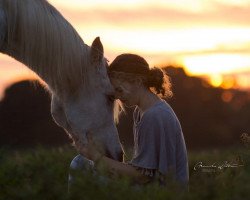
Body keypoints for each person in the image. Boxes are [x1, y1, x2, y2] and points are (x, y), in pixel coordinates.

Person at [70, 53, 189, 188]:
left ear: (138, 81)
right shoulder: (141, 112)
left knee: (80, 165)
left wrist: (96, 157)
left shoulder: (154, 116)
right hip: (147, 186)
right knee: (81, 162)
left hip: (159, 193)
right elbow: (144, 169)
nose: (118, 97)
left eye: (119, 90)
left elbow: (144, 176)